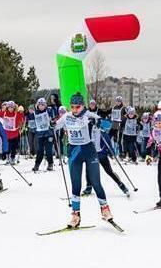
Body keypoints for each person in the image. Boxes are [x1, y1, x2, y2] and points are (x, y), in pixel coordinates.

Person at [55, 93, 115, 228]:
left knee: (95, 182)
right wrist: (52, 123)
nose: (75, 109)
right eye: (72, 107)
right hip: (74, 153)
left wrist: (98, 122)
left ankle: (105, 210)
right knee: (76, 185)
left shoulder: (88, 115)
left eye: (78, 107)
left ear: (83, 106)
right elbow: (56, 125)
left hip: (89, 151)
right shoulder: (67, 116)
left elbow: (106, 124)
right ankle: (76, 215)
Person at [31, 98, 56, 172]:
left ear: (45, 105)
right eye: (40, 105)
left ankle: (50, 164)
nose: (41, 106)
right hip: (40, 134)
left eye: (43, 105)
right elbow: (32, 122)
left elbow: (54, 118)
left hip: (49, 134)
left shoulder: (49, 111)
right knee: (40, 150)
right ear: (37, 106)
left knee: (48, 150)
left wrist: (52, 122)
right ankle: (37, 164)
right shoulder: (35, 113)